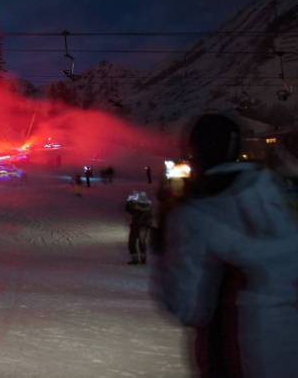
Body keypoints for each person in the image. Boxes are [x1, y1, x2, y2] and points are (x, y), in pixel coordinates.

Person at [153, 113, 298, 378]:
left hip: (237, 358)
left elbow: (186, 306)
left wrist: (163, 242)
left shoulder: (194, 215)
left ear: (195, 151)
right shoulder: (281, 201)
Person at [125, 191, 153, 264]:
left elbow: (128, 209)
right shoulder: (148, 207)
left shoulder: (137, 207)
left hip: (137, 226)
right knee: (141, 242)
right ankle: (142, 259)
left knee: (132, 242)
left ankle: (135, 259)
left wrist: (129, 200)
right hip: (143, 226)